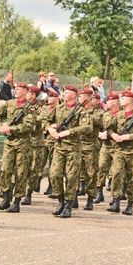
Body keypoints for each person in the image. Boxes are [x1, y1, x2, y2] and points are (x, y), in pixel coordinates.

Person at [43, 85, 92, 218]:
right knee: (54, 174)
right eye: (63, 92)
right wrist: (50, 129)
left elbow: (87, 127)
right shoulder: (58, 108)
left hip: (73, 148)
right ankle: (61, 200)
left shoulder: (81, 111)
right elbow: (46, 119)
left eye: (66, 92)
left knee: (71, 177)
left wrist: (69, 131)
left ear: (74, 95)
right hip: (59, 147)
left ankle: (69, 204)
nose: (63, 94)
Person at [0, 83, 37, 212]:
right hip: (9, 143)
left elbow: (28, 126)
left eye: (18, 89)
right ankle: (6, 198)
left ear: (25, 91)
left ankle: (17, 201)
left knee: (20, 173)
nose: (16, 91)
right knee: (5, 170)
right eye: (15, 89)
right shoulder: (10, 103)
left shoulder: (30, 107)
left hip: (23, 144)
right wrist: (1, 126)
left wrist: (10, 129)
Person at [106, 91, 133, 215]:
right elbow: (109, 128)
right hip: (119, 150)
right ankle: (116, 201)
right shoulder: (119, 115)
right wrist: (113, 134)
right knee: (117, 174)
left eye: (124, 98)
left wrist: (130, 136)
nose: (121, 99)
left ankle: (130, 204)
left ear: (131, 100)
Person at [95, 93, 120, 204]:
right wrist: (100, 134)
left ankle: (116, 196)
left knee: (116, 172)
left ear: (115, 102)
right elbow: (96, 127)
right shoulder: (105, 114)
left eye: (108, 101)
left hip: (119, 147)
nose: (106, 103)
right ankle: (99, 192)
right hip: (106, 145)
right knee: (101, 167)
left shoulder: (122, 114)